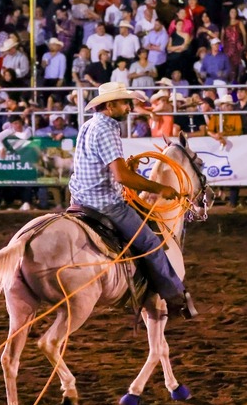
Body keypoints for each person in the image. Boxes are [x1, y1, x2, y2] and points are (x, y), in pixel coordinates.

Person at [69, 81, 193, 316]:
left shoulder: (89, 125)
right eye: (125, 103)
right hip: (105, 203)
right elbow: (121, 176)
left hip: (79, 199)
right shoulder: (107, 129)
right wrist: (160, 188)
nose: (129, 107)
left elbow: (107, 168)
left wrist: (127, 170)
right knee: (150, 243)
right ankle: (175, 297)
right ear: (110, 105)